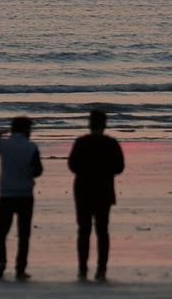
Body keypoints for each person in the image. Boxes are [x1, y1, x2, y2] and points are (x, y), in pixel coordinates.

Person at [67, 109, 125, 281]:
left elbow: (72, 165)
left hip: (83, 190)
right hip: (103, 190)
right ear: (105, 124)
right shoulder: (111, 143)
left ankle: (83, 268)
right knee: (102, 231)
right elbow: (119, 167)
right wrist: (105, 171)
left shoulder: (81, 142)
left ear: (89, 124)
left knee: (83, 230)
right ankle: (101, 269)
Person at [0, 116, 43, 281]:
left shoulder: (4, 144)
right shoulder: (31, 146)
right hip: (25, 194)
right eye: (30, 129)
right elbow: (38, 170)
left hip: (6, 194)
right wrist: (29, 173)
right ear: (25, 130)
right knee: (24, 234)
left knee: (2, 231)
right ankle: (20, 268)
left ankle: (2, 263)